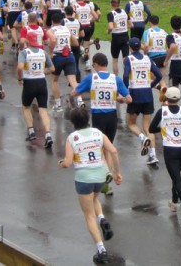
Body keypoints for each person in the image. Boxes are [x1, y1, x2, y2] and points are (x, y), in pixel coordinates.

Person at [59, 107, 122, 265]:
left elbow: (67, 163)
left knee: (88, 215)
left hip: (83, 178)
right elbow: (113, 151)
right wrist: (116, 172)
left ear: (73, 122)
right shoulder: (97, 133)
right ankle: (102, 218)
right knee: (94, 199)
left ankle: (102, 250)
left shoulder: (72, 138)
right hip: (100, 176)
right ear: (88, 119)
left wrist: (61, 163)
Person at [72, 53, 130, 195]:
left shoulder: (92, 78)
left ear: (97, 64)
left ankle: (104, 177)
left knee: (100, 149)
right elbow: (129, 98)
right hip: (112, 115)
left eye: (93, 64)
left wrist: (82, 91)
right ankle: (107, 178)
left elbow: (75, 92)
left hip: (98, 116)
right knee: (108, 147)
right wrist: (120, 99)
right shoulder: (115, 79)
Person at [148, 86, 181, 225]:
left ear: (166, 98)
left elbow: (151, 129)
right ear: (179, 98)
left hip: (170, 149)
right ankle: (174, 202)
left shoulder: (162, 112)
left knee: (177, 179)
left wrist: (164, 127)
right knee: (175, 175)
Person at [123, 37, 163, 167]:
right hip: (147, 94)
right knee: (148, 127)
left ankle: (142, 138)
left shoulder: (129, 59)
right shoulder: (147, 58)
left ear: (130, 47)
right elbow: (160, 76)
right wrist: (151, 85)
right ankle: (153, 155)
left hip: (135, 94)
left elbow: (125, 75)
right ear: (139, 46)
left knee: (131, 123)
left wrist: (125, 91)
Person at [18, 38, 55, 148]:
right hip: (41, 82)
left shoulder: (24, 53)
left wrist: (20, 78)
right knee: (43, 109)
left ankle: (31, 131)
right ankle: (47, 134)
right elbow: (52, 68)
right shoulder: (43, 53)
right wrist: (42, 72)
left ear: (28, 42)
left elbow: (20, 67)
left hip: (29, 82)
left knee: (26, 107)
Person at [47, 14, 79, 114]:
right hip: (69, 55)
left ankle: (58, 105)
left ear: (52, 21)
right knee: (73, 80)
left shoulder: (51, 30)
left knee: (54, 80)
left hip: (58, 56)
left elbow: (52, 40)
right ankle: (80, 101)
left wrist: (51, 52)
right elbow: (76, 43)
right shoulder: (66, 29)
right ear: (61, 21)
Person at [107, 0, 130, 75]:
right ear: (119, 4)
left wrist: (108, 31)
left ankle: (116, 77)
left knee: (115, 59)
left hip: (116, 37)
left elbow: (110, 27)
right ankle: (126, 76)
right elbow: (131, 25)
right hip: (125, 35)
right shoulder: (124, 12)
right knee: (125, 58)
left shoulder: (111, 14)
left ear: (111, 4)